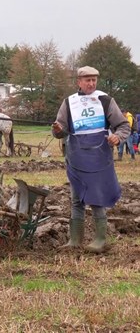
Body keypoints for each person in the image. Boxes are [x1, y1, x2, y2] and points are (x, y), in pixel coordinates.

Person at [51, 66, 129, 253]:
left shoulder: (105, 100)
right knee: (77, 198)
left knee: (96, 198)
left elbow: (123, 125)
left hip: (99, 158)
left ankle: (100, 240)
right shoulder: (69, 103)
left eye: (94, 80)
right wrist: (57, 130)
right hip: (76, 157)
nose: (91, 83)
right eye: (87, 80)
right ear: (79, 82)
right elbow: (59, 129)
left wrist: (117, 137)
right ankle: (75, 240)